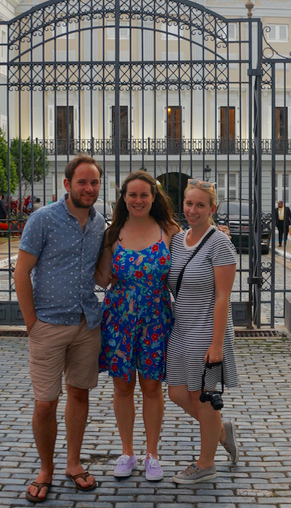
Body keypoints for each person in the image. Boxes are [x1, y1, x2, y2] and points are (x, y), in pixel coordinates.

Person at [14, 155, 105, 502]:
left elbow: (100, 271)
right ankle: (46, 469)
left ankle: (73, 463)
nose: (88, 188)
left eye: (94, 182)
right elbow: (21, 272)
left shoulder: (99, 223)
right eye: (82, 182)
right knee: (45, 404)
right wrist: (31, 323)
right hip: (48, 324)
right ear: (67, 185)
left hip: (86, 323)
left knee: (79, 394)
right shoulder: (43, 219)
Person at [96, 171, 180, 482]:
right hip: (119, 319)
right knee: (122, 386)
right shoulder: (112, 234)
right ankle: (128, 451)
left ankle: (152, 454)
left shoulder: (169, 230)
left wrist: (218, 234)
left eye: (144, 194)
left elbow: (196, 255)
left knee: (152, 386)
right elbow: (103, 278)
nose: (138, 200)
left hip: (156, 318)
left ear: (154, 197)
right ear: (124, 198)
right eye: (132, 195)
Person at [166, 179, 239, 484]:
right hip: (180, 329)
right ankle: (220, 431)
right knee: (177, 393)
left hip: (207, 331)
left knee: (202, 397)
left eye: (200, 205)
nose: (193, 210)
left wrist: (217, 345)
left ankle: (206, 463)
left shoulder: (220, 243)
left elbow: (223, 295)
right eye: (188, 204)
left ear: (213, 209)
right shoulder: (178, 240)